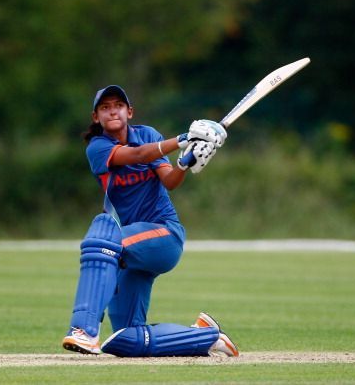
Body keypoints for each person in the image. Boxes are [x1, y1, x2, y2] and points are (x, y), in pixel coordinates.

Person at [61, 85, 239, 357]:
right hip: (131, 250)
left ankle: (83, 332)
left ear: (129, 111)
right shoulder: (97, 147)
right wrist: (184, 139)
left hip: (164, 235)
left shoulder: (147, 134)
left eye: (118, 105)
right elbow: (139, 155)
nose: (112, 111)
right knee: (126, 339)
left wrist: (184, 163)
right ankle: (206, 336)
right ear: (96, 117)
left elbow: (170, 181)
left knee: (102, 238)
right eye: (105, 107)